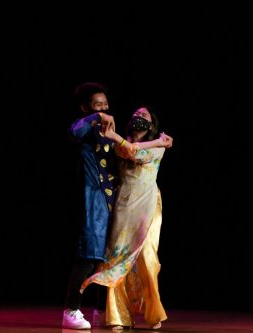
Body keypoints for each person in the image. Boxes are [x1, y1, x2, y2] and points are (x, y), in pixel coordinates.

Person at [80, 106, 172, 330]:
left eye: (144, 116)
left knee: (148, 259)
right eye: (136, 115)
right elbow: (127, 149)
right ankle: (117, 316)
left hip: (148, 207)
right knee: (117, 258)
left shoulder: (157, 149)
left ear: (152, 125)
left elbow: (136, 153)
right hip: (124, 205)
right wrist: (159, 141)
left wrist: (158, 144)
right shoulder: (122, 145)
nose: (138, 118)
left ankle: (153, 312)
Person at [62, 82, 117, 330]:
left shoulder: (109, 130)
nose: (104, 109)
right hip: (91, 198)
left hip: (110, 199)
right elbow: (74, 131)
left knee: (105, 259)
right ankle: (71, 309)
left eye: (105, 104)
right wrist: (96, 116)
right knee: (88, 254)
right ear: (86, 108)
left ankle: (100, 311)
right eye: (98, 105)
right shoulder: (83, 128)